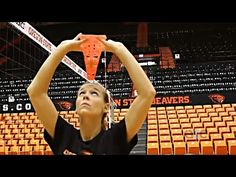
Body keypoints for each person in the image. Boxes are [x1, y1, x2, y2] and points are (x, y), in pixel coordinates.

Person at [27, 33, 156, 155]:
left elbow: (147, 93)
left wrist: (119, 49)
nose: (85, 96)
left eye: (94, 93)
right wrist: (63, 48)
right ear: (76, 106)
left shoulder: (115, 138)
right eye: (81, 93)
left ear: (106, 106)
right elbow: (35, 92)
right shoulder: (64, 135)